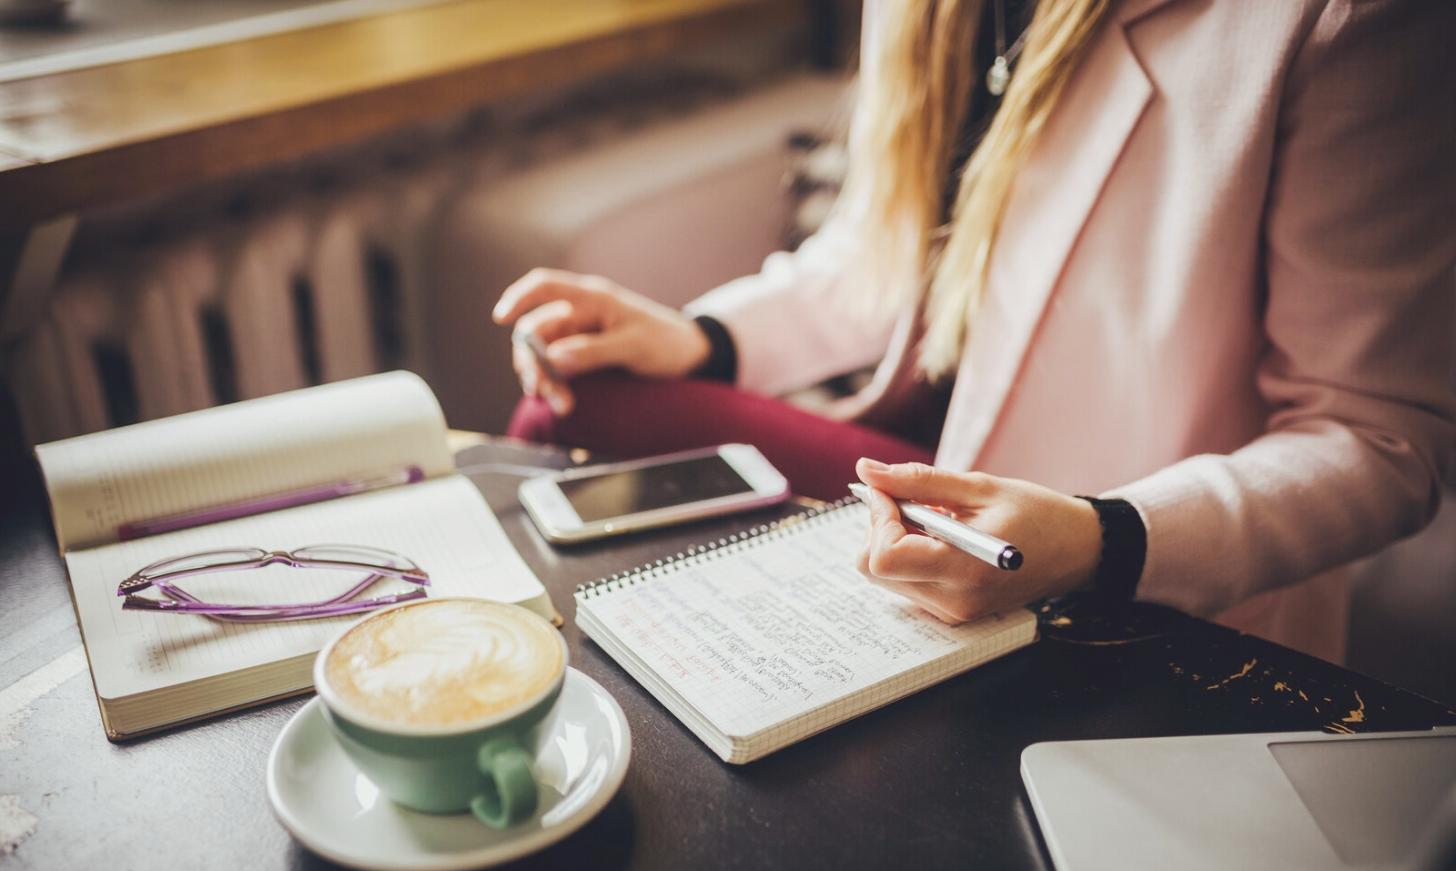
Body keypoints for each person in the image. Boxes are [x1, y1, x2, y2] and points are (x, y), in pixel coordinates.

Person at [492, 0, 1455, 663]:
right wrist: (700, 337)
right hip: (935, 472)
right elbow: (886, 246)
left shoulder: (1345, 22)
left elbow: (1381, 438)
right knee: (581, 393)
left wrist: (1106, 539)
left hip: (1117, 546)